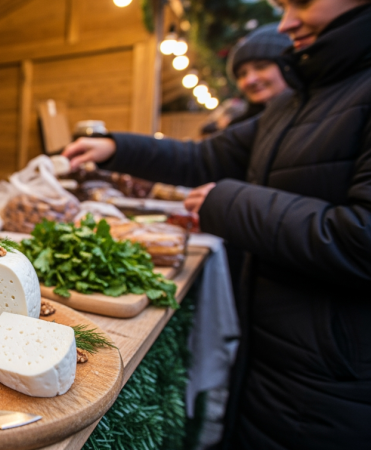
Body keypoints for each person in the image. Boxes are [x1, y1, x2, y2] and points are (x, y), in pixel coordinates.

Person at [63, 0, 371, 448]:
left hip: (334, 377)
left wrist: (226, 202)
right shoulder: (296, 103)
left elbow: (361, 237)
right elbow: (203, 157)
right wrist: (114, 146)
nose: (285, 23)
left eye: (300, 2)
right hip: (274, 353)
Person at [201, 23, 291, 135]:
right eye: (242, 74)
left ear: (289, 65)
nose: (250, 80)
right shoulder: (240, 129)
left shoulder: (309, 118)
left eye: (261, 67)